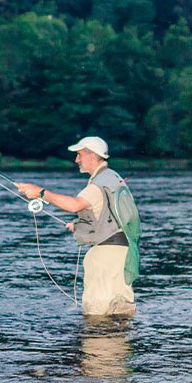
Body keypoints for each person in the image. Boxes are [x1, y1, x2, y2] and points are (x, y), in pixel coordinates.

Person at [15, 136, 136, 317]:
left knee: (98, 313)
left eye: (79, 155)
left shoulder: (97, 185)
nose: (76, 160)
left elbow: (74, 205)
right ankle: (122, 344)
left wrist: (41, 193)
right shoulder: (113, 178)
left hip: (106, 255)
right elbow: (110, 214)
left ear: (92, 156)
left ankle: (98, 345)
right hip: (122, 252)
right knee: (120, 310)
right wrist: (80, 226)